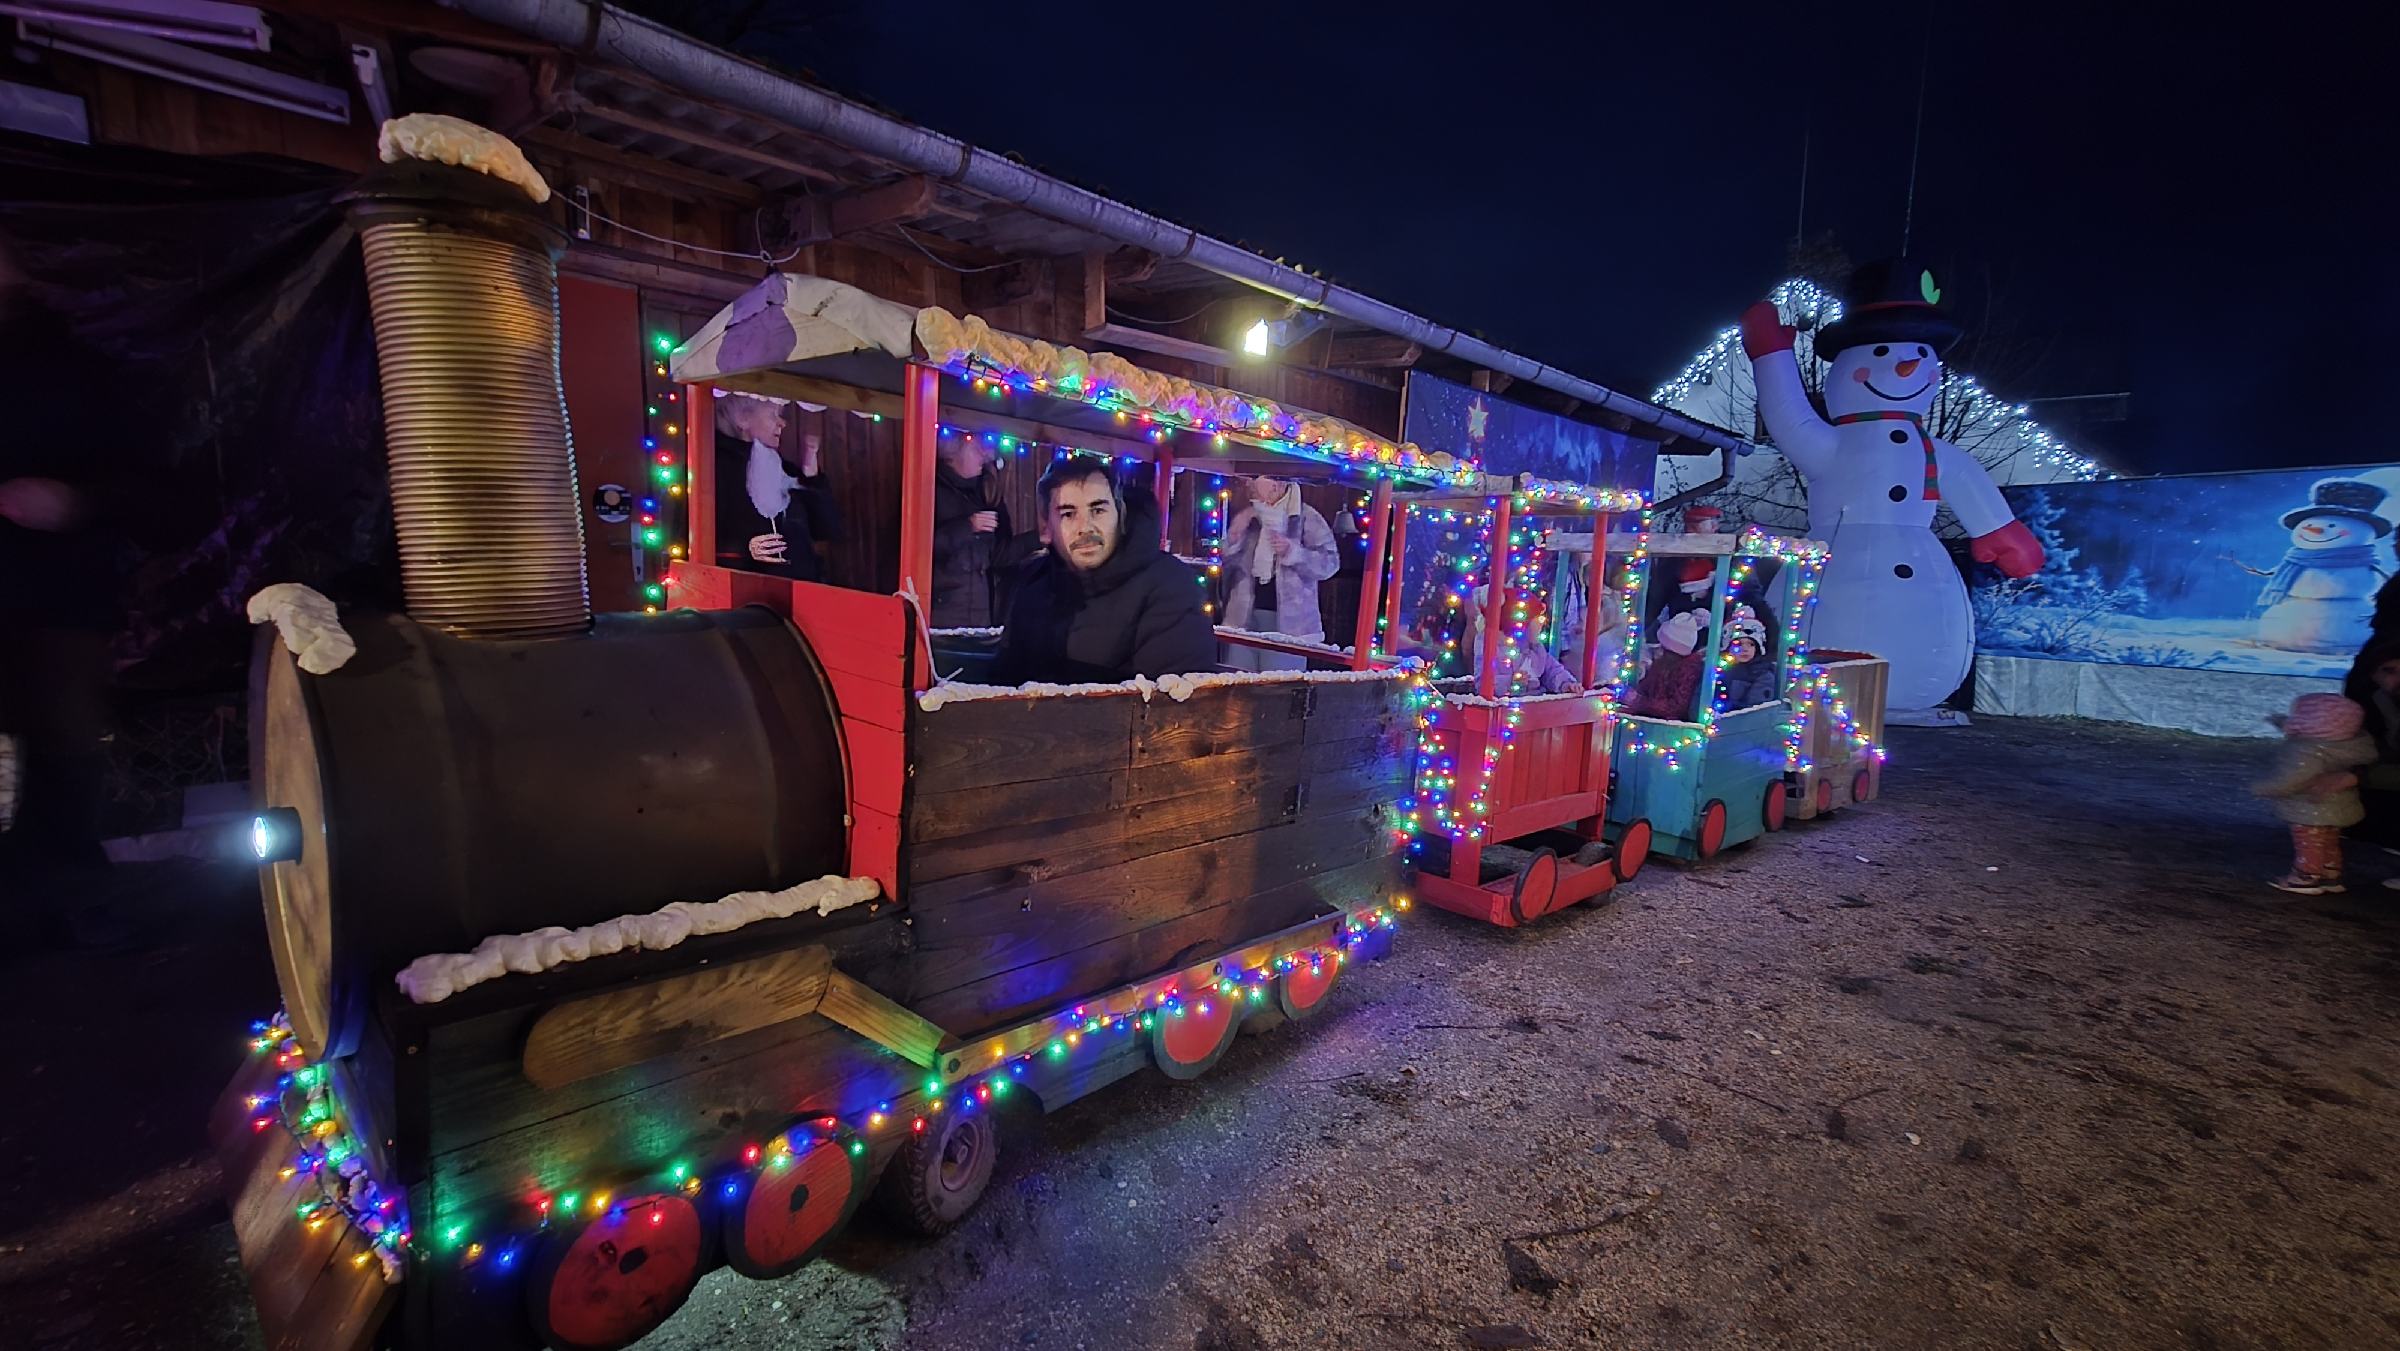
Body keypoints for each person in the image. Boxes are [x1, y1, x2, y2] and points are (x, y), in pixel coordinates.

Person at [987, 460, 1215, 686]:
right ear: (1046, 527)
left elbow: (1171, 707)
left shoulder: (1171, 586)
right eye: (1068, 514)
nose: (1085, 527)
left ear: (1120, 514)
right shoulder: (1034, 582)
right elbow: (1005, 678)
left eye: (1098, 510)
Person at [2251, 692, 2377, 895]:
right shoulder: (2349, 745)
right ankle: (2330, 875)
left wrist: (2264, 787)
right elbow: (2305, 728)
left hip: (2309, 806)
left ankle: (2304, 877)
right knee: (2329, 841)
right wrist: (2279, 721)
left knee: (2308, 843)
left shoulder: (2305, 750)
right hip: (2340, 806)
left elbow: (2291, 778)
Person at [1220, 474, 1340, 671]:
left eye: (1255, 480)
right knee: (1235, 685)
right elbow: (1229, 565)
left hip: (1290, 625)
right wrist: (1234, 538)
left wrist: (1293, 552)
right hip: (1243, 618)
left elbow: (1330, 563)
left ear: (1276, 486)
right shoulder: (1250, 517)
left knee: (1277, 690)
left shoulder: (1307, 517)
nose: (1249, 485)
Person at [714, 392, 835, 583]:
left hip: (802, 590)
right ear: (743, 418)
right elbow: (695, 538)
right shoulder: (714, 468)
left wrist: (812, 478)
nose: (782, 423)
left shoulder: (784, 469)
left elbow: (825, 529)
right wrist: (742, 550)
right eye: (773, 415)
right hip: (746, 596)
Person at [930, 434, 1018, 628]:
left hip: (982, 615)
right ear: (954, 451)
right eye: (979, 448)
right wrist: (967, 526)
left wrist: (1038, 538)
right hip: (942, 614)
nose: (987, 456)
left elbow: (999, 554)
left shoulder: (987, 493)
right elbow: (920, 548)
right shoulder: (929, 490)